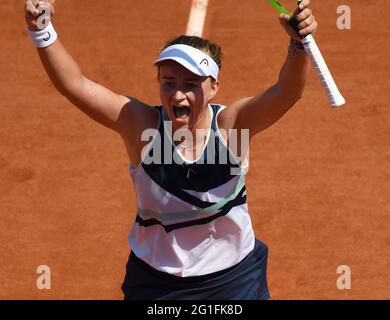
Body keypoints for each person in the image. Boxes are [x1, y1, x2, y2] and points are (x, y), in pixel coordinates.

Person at [24, 0, 318, 300]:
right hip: (157, 285)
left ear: (214, 86)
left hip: (232, 282)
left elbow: (287, 91)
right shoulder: (141, 127)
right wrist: (42, 31)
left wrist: (297, 45)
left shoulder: (232, 127)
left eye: (191, 83)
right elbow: (74, 84)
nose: (178, 93)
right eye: (168, 82)